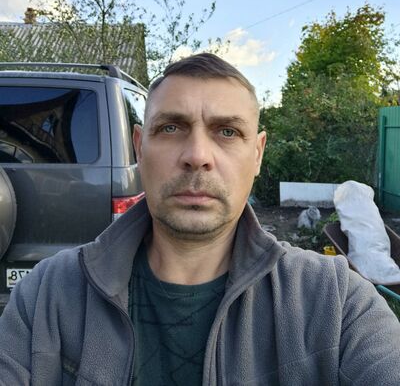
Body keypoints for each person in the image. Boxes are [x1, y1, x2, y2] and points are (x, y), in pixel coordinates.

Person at [0, 53, 399, 386]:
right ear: (140, 147)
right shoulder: (46, 297)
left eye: (227, 132)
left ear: (257, 154)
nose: (197, 155)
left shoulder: (336, 302)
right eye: (171, 127)